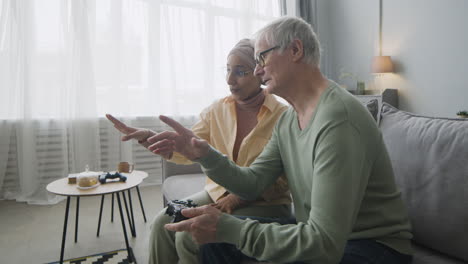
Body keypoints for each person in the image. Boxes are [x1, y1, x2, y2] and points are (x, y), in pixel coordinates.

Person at [145, 16, 413, 264]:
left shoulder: (338, 119)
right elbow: (252, 183)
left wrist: (231, 228)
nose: (258, 71)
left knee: (224, 235)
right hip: (321, 236)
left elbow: (324, 244)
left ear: (295, 50)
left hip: (373, 246)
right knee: (212, 244)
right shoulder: (288, 120)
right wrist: (204, 155)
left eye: (262, 57)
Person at [106, 38, 291, 263]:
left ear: (260, 73)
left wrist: (237, 199)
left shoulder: (282, 115)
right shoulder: (216, 110)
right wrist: (150, 139)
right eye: (228, 70)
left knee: (189, 234)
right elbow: (190, 148)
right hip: (217, 193)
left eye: (240, 72)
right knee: (162, 222)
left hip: (266, 203)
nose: (230, 79)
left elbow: (285, 178)